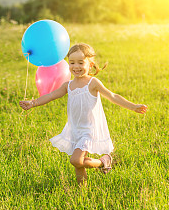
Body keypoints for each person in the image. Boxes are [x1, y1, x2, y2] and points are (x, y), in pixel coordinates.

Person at [19, 43, 147, 186]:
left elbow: (112, 96)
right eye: (72, 62)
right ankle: (82, 192)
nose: (76, 66)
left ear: (90, 64)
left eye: (81, 62)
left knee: (76, 160)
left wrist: (133, 106)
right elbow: (52, 95)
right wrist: (33, 103)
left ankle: (103, 162)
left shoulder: (92, 83)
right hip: (75, 129)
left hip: (89, 130)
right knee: (78, 166)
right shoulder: (68, 85)